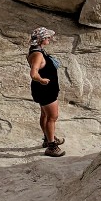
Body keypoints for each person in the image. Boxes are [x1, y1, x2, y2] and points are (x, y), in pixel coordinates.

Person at [27, 26, 65, 157]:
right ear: (41, 39)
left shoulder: (36, 50)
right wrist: (42, 80)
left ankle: (48, 138)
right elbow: (33, 73)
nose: (50, 38)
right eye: (48, 37)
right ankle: (52, 146)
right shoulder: (37, 54)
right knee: (52, 117)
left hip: (42, 89)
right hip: (45, 90)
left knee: (44, 115)